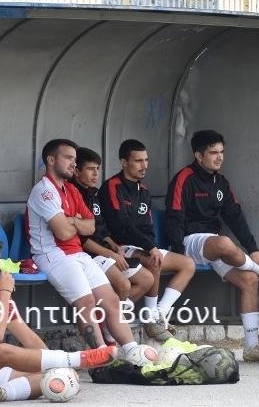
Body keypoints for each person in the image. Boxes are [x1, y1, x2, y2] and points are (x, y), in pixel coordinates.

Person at [25, 138, 154, 366]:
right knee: (86, 303)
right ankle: (100, 357)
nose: (73, 164)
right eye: (68, 158)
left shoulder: (71, 190)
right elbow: (63, 233)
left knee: (112, 300)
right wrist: (76, 223)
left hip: (77, 254)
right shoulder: (44, 191)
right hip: (52, 255)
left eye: (75, 159)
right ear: (51, 160)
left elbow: (90, 225)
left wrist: (72, 220)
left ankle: (132, 350)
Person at [0, 235, 118, 403]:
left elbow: (27, 336)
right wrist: (6, 293)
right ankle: (77, 359)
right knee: (1, 350)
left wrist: (57, 366)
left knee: (61, 376)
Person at [163, 129, 259, 362]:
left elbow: (235, 217)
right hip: (188, 243)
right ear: (198, 156)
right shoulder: (184, 178)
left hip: (213, 246)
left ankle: (251, 347)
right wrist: (178, 254)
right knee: (225, 244)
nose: (219, 157)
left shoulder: (221, 182)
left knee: (248, 280)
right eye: (213, 153)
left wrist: (253, 248)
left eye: (221, 152)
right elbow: (173, 217)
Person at [99, 140, 195, 340]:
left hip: (143, 246)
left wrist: (151, 245)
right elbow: (120, 225)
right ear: (124, 162)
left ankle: (158, 314)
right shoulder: (112, 186)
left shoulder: (143, 189)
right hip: (118, 246)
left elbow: (148, 226)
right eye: (138, 161)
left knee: (187, 264)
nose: (144, 166)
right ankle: (147, 319)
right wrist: (150, 247)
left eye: (146, 160)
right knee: (154, 260)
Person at [70, 147, 153, 304]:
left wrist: (115, 247)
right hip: (87, 255)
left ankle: (113, 319)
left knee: (147, 280)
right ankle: (111, 324)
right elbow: (82, 241)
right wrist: (111, 255)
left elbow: (102, 230)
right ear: (76, 171)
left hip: (104, 251)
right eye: (90, 169)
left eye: (97, 169)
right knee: (123, 285)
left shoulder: (93, 194)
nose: (96, 174)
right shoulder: (73, 195)